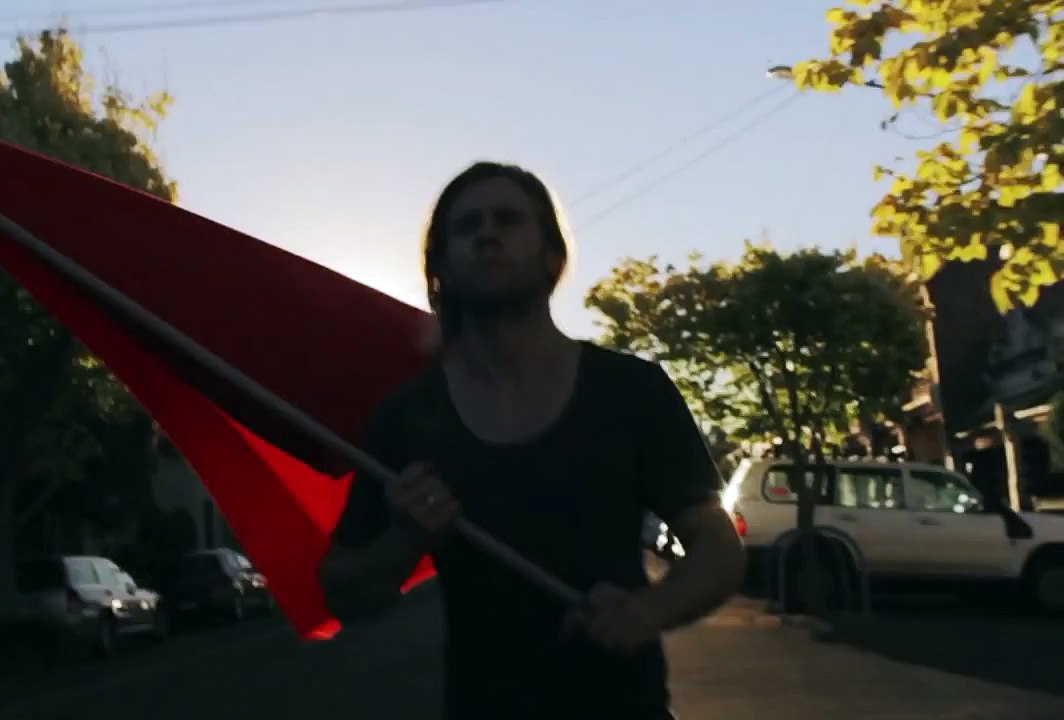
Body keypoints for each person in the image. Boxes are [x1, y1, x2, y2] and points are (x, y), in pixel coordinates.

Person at [319, 161, 746, 719]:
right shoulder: (409, 417)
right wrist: (405, 537)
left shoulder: (632, 391)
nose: (486, 234)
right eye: (466, 226)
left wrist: (650, 610)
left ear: (553, 256)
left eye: (508, 220)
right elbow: (344, 592)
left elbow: (718, 548)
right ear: (440, 264)